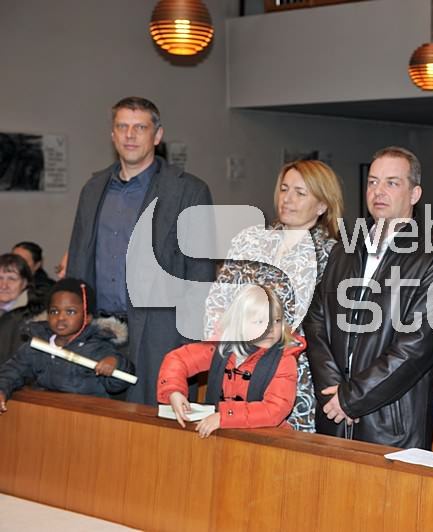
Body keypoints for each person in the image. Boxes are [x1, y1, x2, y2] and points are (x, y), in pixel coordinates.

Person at [304, 146, 433, 449]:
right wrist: (334, 390)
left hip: (391, 422)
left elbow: (416, 347)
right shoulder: (344, 250)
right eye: (373, 182)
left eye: (392, 182)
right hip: (332, 411)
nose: (379, 191)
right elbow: (316, 322)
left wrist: (351, 399)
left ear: (414, 194)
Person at [66, 96, 215, 405]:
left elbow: (200, 276)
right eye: (122, 127)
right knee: (95, 425)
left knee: (153, 427)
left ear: (157, 136)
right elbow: (78, 261)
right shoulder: (92, 189)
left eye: (140, 127)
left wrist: (191, 347)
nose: (130, 135)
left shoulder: (188, 191)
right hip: (97, 333)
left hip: (160, 335)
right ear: (112, 134)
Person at [206, 159, 343, 432]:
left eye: (300, 193)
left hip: (295, 381)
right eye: (284, 189)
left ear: (322, 205)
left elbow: (331, 330)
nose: (287, 199)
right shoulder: (250, 240)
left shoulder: (333, 256)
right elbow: (217, 303)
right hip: (237, 372)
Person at [158, 285, 303, 438]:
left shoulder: (284, 360)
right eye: (260, 321)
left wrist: (226, 417)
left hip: (266, 439)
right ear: (239, 323)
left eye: (276, 321)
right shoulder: (221, 347)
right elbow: (178, 359)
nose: (270, 329)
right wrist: (173, 391)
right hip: (221, 433)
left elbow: (274, 410)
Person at [0, 278, 134, 412]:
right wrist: (2, 389)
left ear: (87, 318)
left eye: (70, 312)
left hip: (86, 416)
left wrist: (115, 363)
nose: (60, 318)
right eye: (54, 311)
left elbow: (117, 384)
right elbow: (13, 370)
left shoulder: (96, 347)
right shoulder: (38, 344)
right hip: (46, 414)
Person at [0, 254, 46, 364]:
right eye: (0, 278)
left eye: (12, 279)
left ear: (25, 283)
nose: (3, 285)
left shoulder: (36, 316)